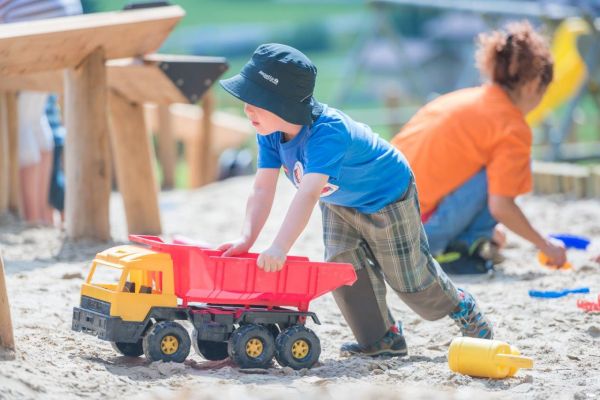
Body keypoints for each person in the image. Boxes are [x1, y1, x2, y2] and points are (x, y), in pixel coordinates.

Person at [217, 43, 493, 357]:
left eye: (257, 101)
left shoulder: (327, 132)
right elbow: (263, 188)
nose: (247, 109)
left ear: (284, 104)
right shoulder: (269, 130)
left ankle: (462, 307)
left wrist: (280, 247)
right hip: (339, 199)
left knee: (409, 279)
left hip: (386, 196)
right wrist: (247, 238)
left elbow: (307, 194)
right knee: (343, 265)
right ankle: (383, 338)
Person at [391, 21, 567, 274]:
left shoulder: (460, 100)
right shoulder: (511, 126)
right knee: (513, 169)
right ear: (533, 85)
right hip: (418, 235)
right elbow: (501, 206)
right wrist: (546, 245)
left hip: (385, 225)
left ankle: (470, 235)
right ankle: (463, 248)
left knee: (490, 167)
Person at [0, 0, 82, 225]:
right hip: (57, 59)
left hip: (27, 60)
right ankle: (42, 215)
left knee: (24, 124)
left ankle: (32, 214)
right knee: (36, 121)